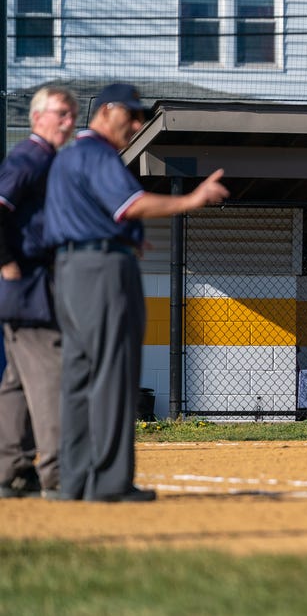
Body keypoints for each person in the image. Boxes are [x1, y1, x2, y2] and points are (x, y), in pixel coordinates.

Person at [45, 83, 227, 502]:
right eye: (130, 115)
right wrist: (192, 200)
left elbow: (80, 215)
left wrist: (123, 236)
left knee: (77, 378)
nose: (136, 124)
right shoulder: (98, 153)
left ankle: (72, 483)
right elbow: (130, 204)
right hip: (102, 270)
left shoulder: (67, 157)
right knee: (112, 374)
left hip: (68, 270)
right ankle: (109, 484)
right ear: (106, 111)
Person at [0, 86, 78, 499]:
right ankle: (58, 473)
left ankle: (11, 470)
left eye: (73, 114)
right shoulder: (29, 157)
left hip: (29, 284)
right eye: (61, 113)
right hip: (26, 283)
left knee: (16, 381)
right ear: (37, 117)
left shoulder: (44, 159)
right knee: (51, 377)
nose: (69, 121)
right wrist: (7, 263)